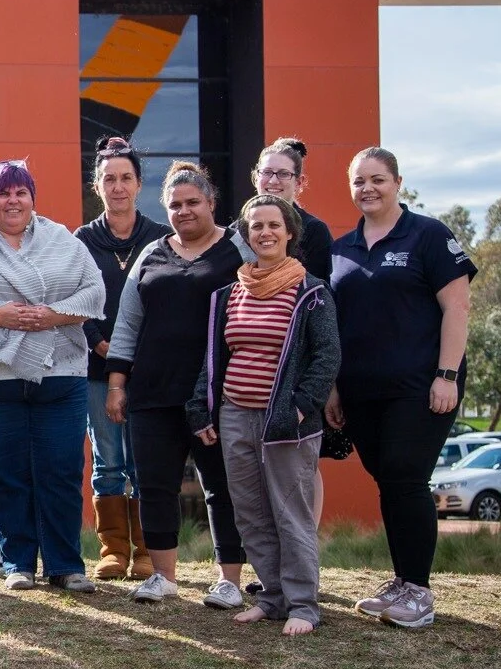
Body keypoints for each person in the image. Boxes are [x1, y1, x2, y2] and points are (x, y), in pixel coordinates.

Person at [0, 160, 106, 593]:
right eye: (3, 194)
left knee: (62, 468)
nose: (13, 201)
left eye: (21, 192)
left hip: (60, 369)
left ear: (32, 197)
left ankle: (66, 565)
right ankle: (17, 563)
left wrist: (50, 316)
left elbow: (94, 292)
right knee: (5, 472)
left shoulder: (63, 241)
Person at [326, 146, 474, 631]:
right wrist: (334, 390)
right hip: (360, 391)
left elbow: (458, 307)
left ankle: (418, 591)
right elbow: (336, 326)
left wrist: (447, 375)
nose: (368, 188)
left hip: (420, 385)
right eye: (359, 181)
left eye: (378, 179)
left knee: (406, 477)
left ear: (397, 182)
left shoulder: (428, 235)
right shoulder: (341, 249)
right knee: (387, 478)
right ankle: (402, 582)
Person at [189, 195, 341, 636]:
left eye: (274, 225)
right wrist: (203, 408)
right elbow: (214, 357)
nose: (266, 233)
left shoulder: (311, 292)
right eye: (256, 226)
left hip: (286, 422)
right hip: (236, 414)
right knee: (251, 512)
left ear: (290, 233)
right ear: (246, 234)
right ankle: (271, 598)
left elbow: (327, 356)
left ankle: (303, 606)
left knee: (290, 512)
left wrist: (300, 406)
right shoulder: (230, 292)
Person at [105, 163, 249, 606]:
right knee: (154, 486)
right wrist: (116, 385)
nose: (184, 211)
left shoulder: (238, 250)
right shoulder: (151, 255)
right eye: (174, 205)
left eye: (192, 202)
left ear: (211, 203)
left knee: (221, 486)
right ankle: (164, 576)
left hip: (216, 396)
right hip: (152, 394)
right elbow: (128, 324)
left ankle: (229, 580)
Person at [74, 138, 167, 581]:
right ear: (97, 185)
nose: (117, 186)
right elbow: (72, 299)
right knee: (109, 459)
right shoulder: (83, 239)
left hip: (147, 368)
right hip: (96, 365)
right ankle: (113, 549)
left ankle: (148, 550)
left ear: (139, 184)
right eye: (108, 178)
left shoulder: (160, 238)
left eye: (125, 178)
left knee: (144, 461)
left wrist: (135, 351)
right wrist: (97, 342)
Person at [231, 138, 334, 279]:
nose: (273, 181)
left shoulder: (314, 231)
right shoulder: (235, 232)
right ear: (255, 177)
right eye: (267, 172)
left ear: (299, 182)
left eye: (284, 174)